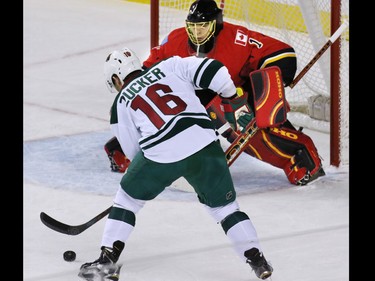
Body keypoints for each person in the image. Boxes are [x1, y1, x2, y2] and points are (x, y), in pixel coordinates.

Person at [78, 47, 273, 281]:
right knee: (226, 209)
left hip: (161, 155)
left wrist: (163, 172)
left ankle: (106, 263)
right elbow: (215, 70)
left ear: (117, 78)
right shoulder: (170, 66)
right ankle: (257, 260)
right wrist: (233, 99)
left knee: (127, 199)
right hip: (205, 144)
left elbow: (134, 152)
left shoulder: (120, 103)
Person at [104, 0, 326, 186]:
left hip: (232, 99)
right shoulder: (175, 40)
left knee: (237, 123)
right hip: (188, 102)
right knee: (158, 110)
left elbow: (280, 53)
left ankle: (298, 154)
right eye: (193, 27)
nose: (197, 33)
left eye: (203, 27)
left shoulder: (237, 38)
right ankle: (122, 147)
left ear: (216, 25)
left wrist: (270, 87)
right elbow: (146, 76)